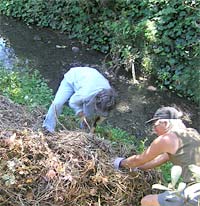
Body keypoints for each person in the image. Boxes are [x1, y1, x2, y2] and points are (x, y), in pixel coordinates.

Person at [114, 106, 200, 206]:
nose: (154, 130)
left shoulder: (167, 138)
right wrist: (138, 168)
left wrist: (119, 163)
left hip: (195, 192)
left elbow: (140, 159)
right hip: (195, 190)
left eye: (155, 126)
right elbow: (160, 159)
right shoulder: (193, 133)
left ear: (165, 123)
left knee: (146, 201)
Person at [43, 66, 116, 133]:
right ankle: (48, 127)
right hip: (72, 79)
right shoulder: (85, 94)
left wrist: (93, 126)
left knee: (88, 116)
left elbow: (101, 115)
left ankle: (84, 133)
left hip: (89, 82)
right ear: (96, 101)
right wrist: (80, 113)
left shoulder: (109, 96)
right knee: (57, 103)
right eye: (97, 108)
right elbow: (72, 102)